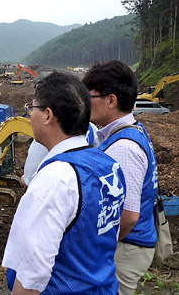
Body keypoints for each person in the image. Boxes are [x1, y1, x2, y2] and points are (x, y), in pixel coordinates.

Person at [2, 72, 126, 294]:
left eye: (32, 109)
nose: (30, 116)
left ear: (48, 115)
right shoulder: (109, 165)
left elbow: (33, 275)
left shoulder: (55, 180)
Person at [82, 60, 158, 295]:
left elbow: (128, 216)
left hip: (126, 248)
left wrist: (100, 248)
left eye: (89, 97)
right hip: (131, 244)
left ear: (111, 100)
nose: (84, 104)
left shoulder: (123, 147)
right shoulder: (129, 132)